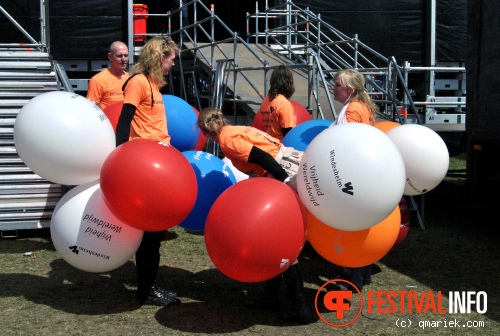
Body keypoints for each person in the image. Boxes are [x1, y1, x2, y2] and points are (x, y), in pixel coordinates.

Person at [197, 107, 311, 325]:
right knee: (273, 239)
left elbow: (263, 157)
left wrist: (284, 181)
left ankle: (300, 307)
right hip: (289, 161)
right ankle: (271, 297)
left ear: (205, 132)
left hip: (281, 170)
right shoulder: (236, 129)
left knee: (281, 241)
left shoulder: (227, 141)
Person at [115, 36, 180, 307]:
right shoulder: (139, 82)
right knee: (150, 233)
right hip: (144, 168)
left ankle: (148, 287)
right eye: (170, 58)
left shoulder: (153, 84)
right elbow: (123, 120)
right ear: (158, 57)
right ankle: (146, 290)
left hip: (157, 165)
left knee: (154, 233)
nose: (173, 64)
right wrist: (119, 159)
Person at [330, 68, 379, 291]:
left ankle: (352, 279)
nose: (333, 87)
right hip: (362, 174)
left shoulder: (353, 110)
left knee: (351, 227)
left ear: (349, 89)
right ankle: (362, 275)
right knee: (358, 225)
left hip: (352, 174)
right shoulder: (360, 107)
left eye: (337, 85)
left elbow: (349, 144)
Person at [86, 41, 130, 110]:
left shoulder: (130, 78)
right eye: (119, 56)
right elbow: (91, 109)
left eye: (126, 55)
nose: (123, 59)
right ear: (110, 56)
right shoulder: (98, 80)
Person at [258, 65, 296, 141]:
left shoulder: (265, 101)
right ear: (288, 83)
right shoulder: (283, 103)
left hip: (269, 143)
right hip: (281, 146)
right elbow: (288, 132)